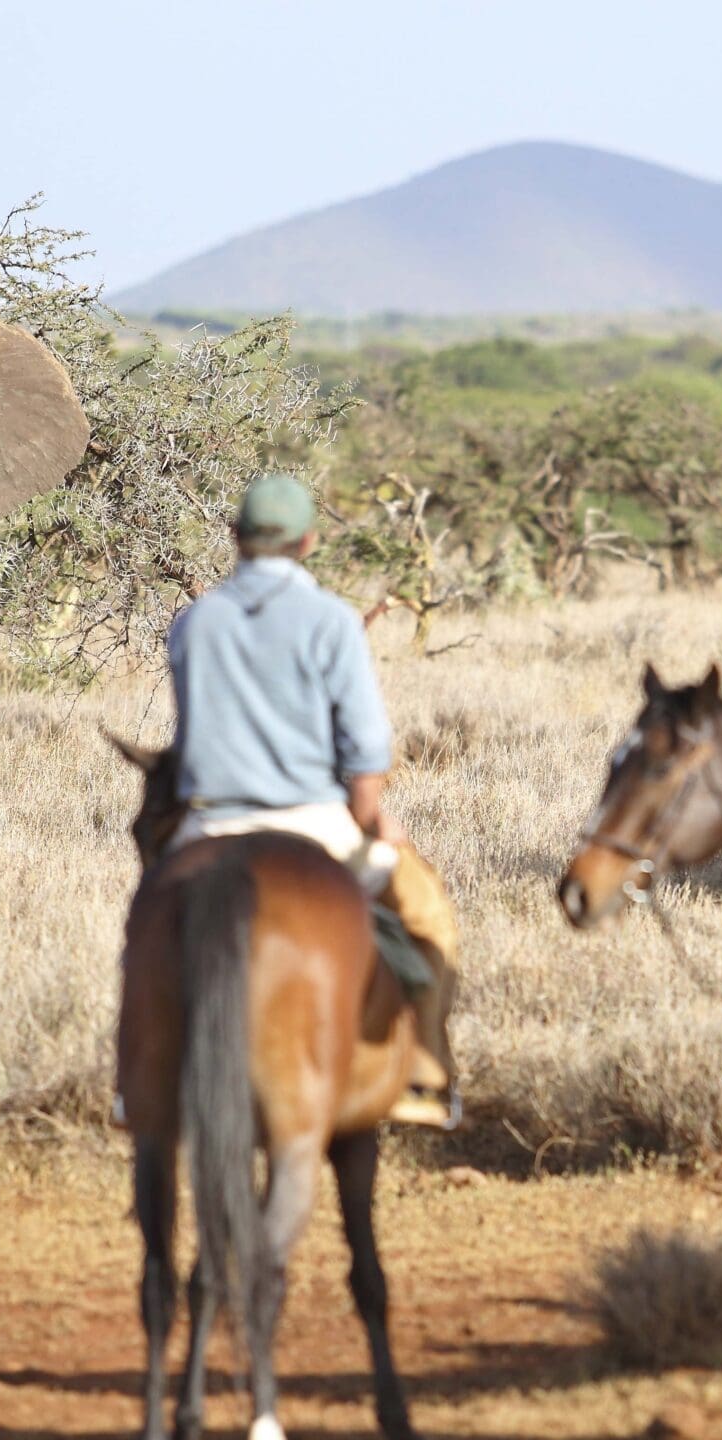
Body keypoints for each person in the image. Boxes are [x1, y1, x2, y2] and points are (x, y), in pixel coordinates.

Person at [165, 473, 461, 1128]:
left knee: (148, 931)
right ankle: (423, 1077)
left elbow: (190, 734)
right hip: (315, 824)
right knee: (428, 915)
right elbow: (365, 747)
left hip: (208, 825)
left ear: (236, 538)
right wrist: (371, 814)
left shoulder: (195, 622)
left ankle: (140, 1084)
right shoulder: (332, 621)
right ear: (309, 541)